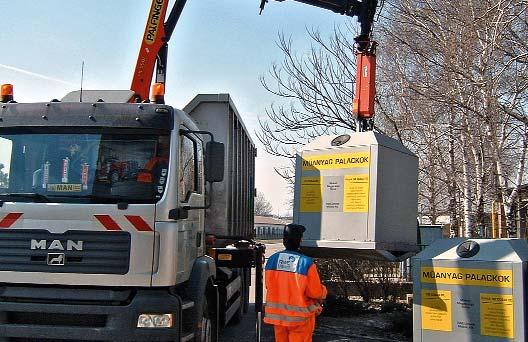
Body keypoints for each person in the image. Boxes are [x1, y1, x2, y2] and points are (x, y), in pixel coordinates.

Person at [264, 224, 327, 342]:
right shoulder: (306, 263)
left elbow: (269, 286)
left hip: (278, 318)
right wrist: (324, 292)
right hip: (300, 319)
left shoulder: (272, 260)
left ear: (283, 240)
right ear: (300, 240)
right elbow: (315, 292)